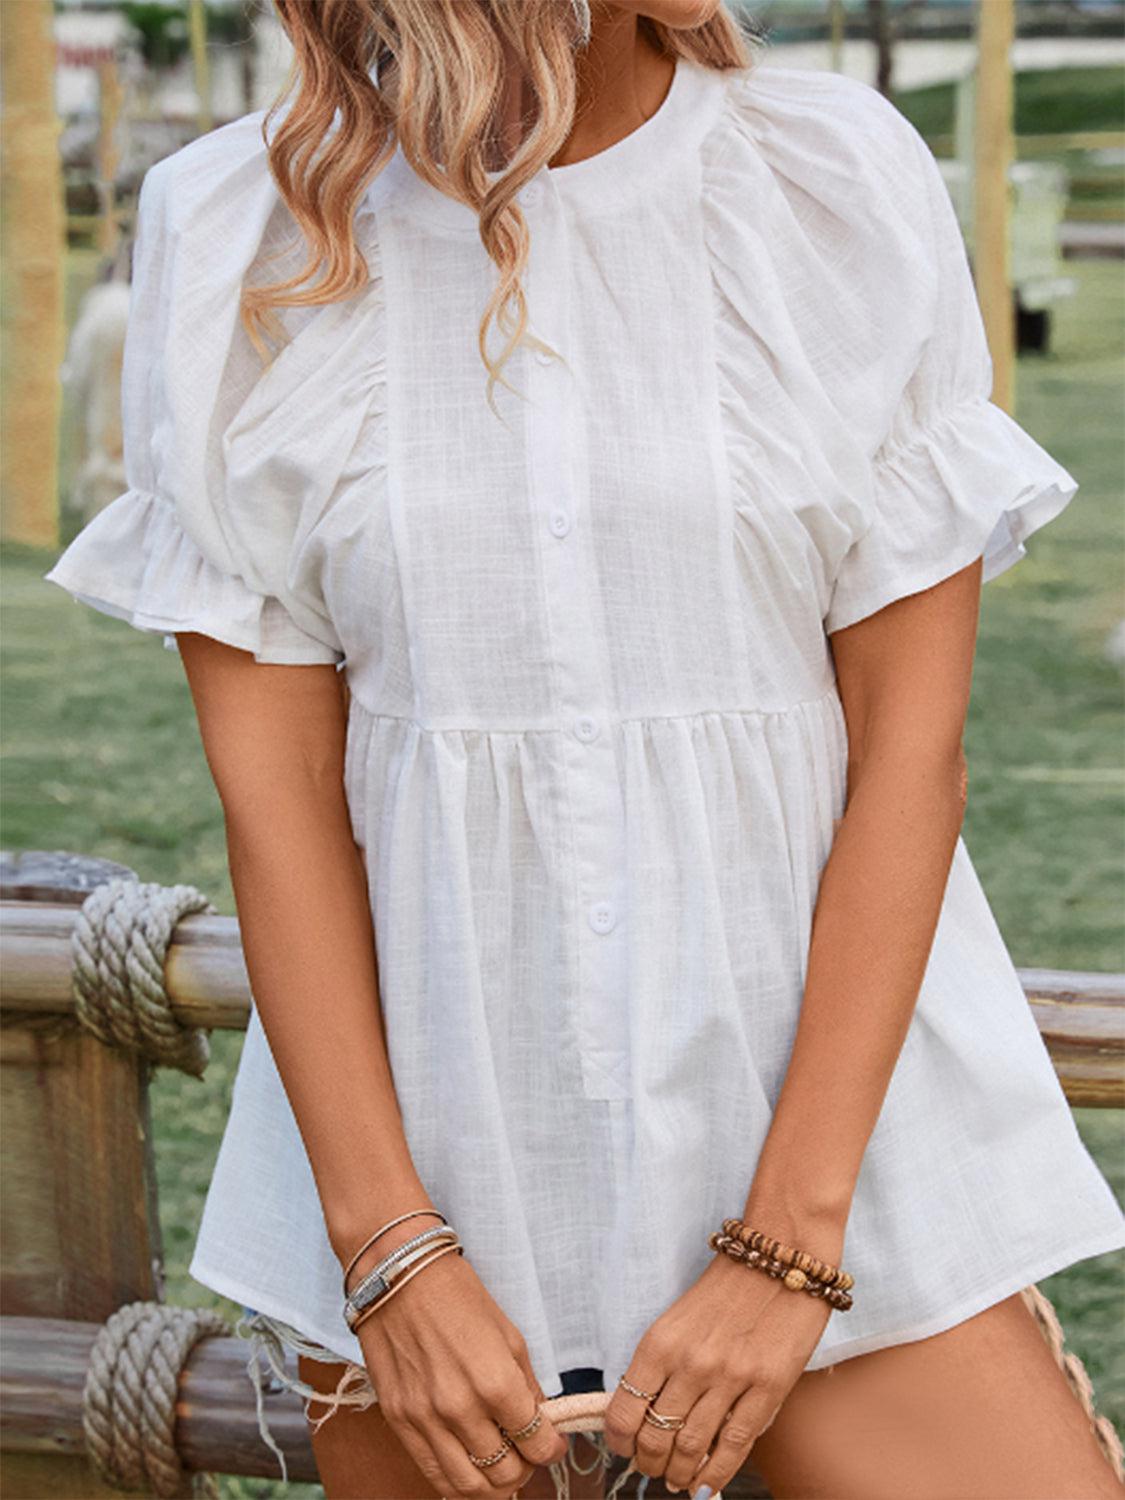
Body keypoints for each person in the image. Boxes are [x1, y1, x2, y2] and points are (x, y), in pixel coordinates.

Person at [43, 2, 1125, 1498]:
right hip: (425, 1200)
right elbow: (277, 806)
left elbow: (909, 758)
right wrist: (391, 1254)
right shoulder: (237, 230)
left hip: (837, 1158)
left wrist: (791, 1245)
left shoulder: (828, 183)